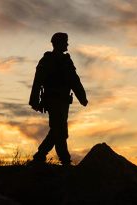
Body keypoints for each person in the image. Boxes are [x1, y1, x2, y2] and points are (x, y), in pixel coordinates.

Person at [29, 32, 88, 166]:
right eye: (65, 42)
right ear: (58, 43)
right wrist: (35, 101)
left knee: (58, 129)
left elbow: (74, 80)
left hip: (63, 102)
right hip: (52, 101)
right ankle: (58, 158)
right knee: (59, 130)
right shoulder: (47, 60)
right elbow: (38, 81)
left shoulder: (65, 60)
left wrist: (82, 97)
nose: (67, 44)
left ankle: (42, 156)